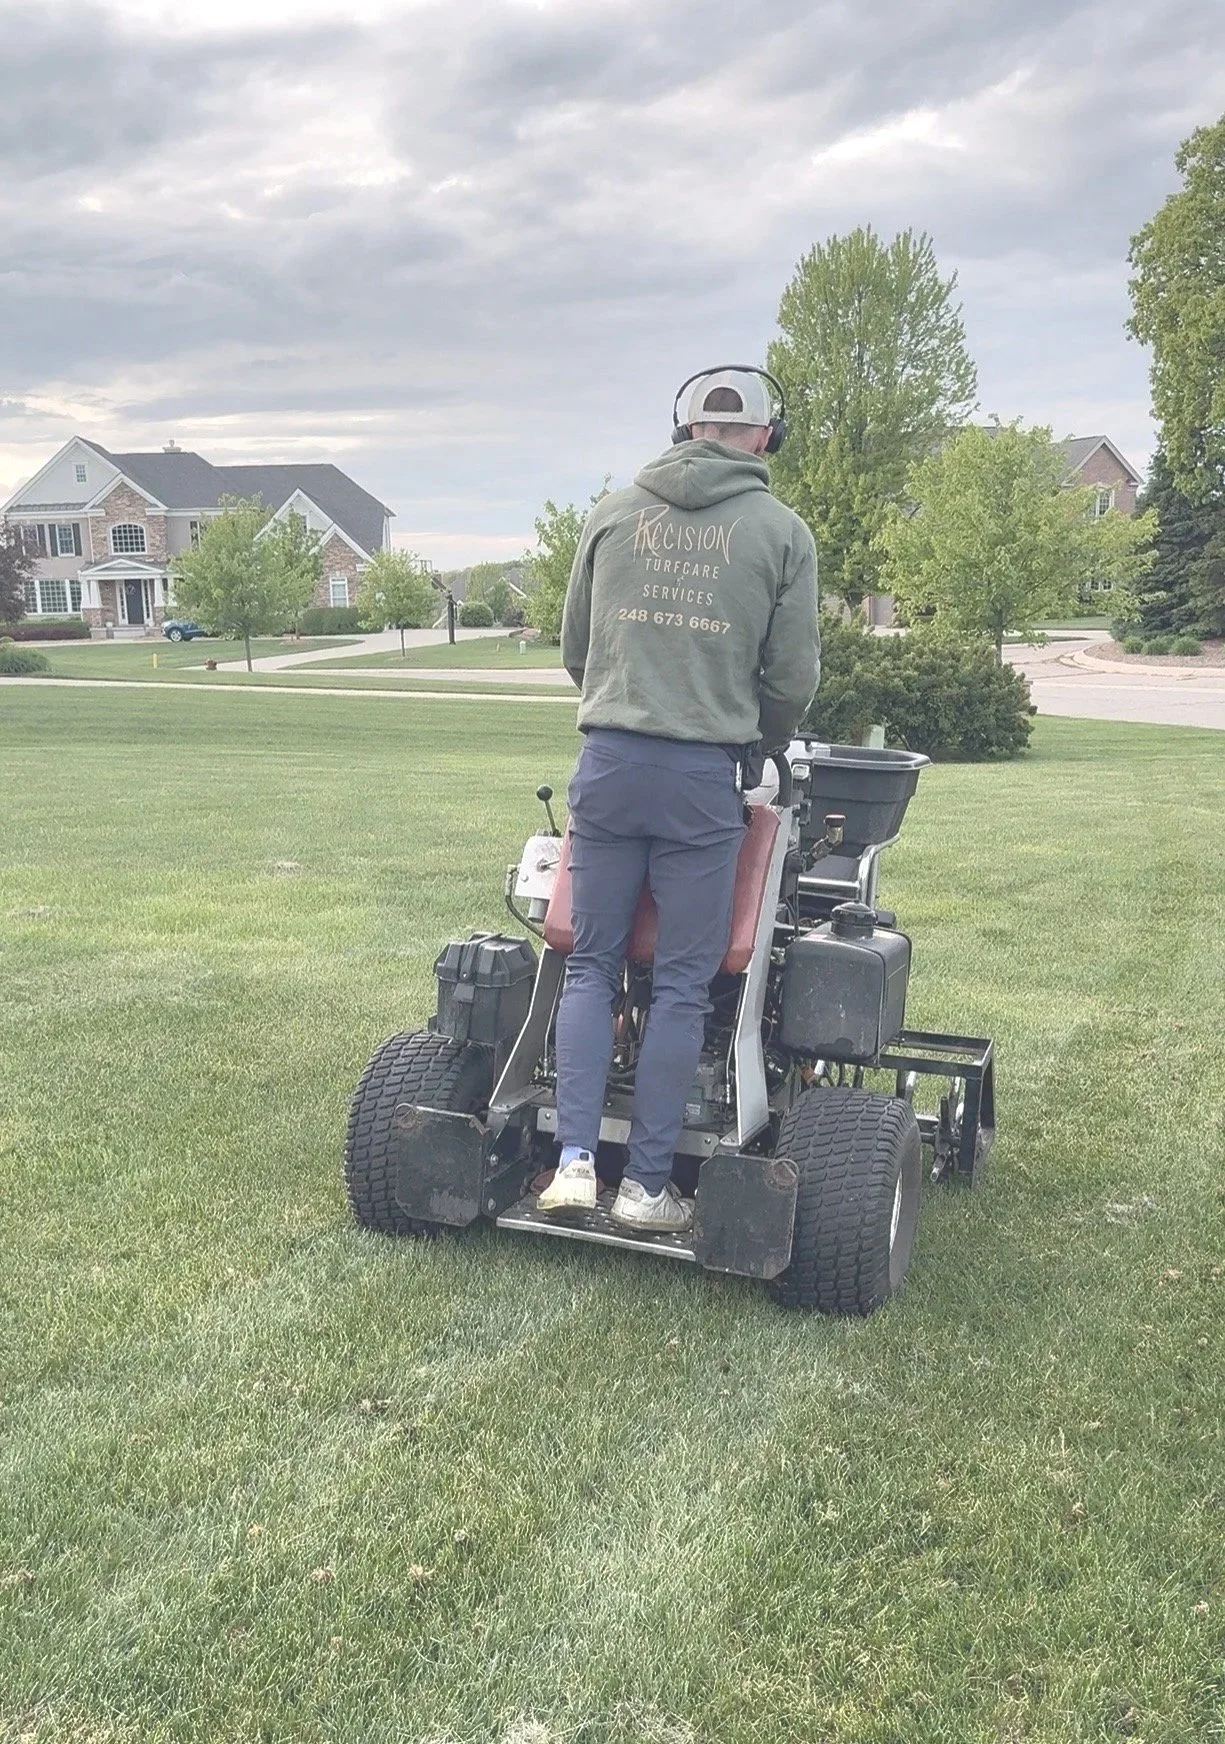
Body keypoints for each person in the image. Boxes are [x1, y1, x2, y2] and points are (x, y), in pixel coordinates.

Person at [537, 366, 820, 1233]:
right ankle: (647, 1187)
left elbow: (576, 649)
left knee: (590, 965)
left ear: (679, 426)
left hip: (608, 763)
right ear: (767, 437)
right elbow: (791, 676)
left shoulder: (612, 515)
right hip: (702, 776)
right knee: (684, 987)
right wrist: (759, 741)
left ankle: (574, 1166)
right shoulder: (780, 531)